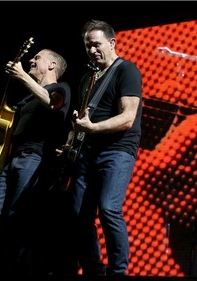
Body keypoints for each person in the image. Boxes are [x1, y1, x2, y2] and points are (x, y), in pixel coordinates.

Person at [0, 48, 71, 274]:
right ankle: (3, 263)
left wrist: (22, 76)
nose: (31, 60)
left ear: (52, 66)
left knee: (16, 219)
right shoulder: (27, 98)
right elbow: (13, 131)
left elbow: (51, 103)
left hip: (34, 158)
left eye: (37, 57)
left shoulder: (60, 88)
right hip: (12, 160)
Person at [60, 19, 142, 276]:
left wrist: (93, 128)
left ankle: (119, 272)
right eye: (88, 46)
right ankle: (94, 269)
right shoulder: (88, 78)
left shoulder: (126, 70)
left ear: (112, 42)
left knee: (108, 208)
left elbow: (128, 118)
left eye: (96, 44)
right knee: (78, 215)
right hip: (87, 153)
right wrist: (70, 143)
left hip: (117, 150)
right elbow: (84, 120)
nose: (92, 50)